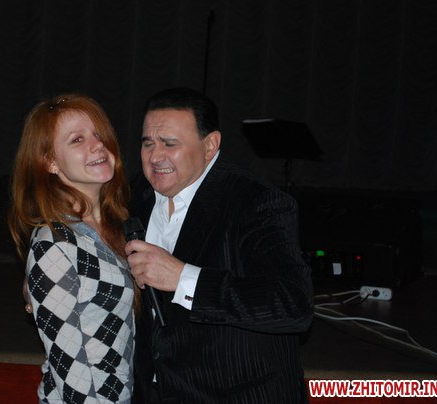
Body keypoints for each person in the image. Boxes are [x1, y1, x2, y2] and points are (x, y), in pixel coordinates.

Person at [125, 87, 313, 403]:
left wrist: (183, 279)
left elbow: (293, 305)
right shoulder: (135, 194)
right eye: (148, 143)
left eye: (170, 144)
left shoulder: (257, 203)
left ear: (210, 145)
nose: (155, 157)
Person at [8, 94, 136, 403]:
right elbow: (70, 374)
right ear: (50, 162)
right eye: (78, 139)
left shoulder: (117, 227)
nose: (98, 145)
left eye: (98, 134)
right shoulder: (54, 245)